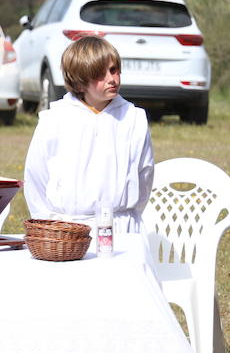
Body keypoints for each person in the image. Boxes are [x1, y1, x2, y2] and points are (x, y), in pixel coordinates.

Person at [24, 35, 154, 233]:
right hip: (67, 229)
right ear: (79, 83)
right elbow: (36, 177)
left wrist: (127, 216)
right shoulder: (55, 119)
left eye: (114, 70)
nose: (112, 79)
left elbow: (144, 175)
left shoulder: (133, 119)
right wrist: (50, 224)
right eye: (100, 74)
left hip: (122, 227)